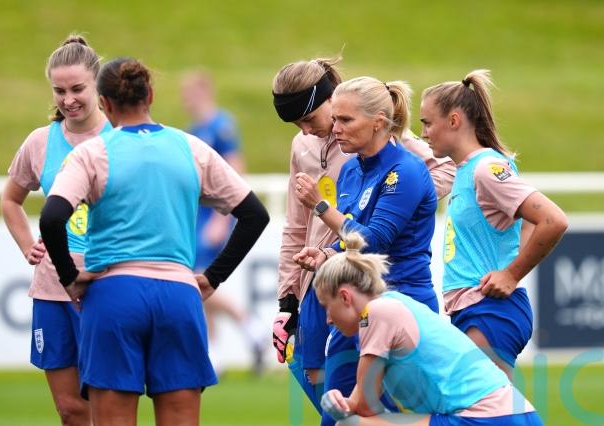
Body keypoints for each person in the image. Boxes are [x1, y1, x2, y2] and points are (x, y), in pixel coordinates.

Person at [38, 57, 269, 425]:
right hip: (178, 295)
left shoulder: (92, 152)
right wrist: (213, 277)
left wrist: (69, 277)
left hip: (113, 296)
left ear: (105, 103)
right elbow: (255, 214)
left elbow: (51, 217)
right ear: (151, 95)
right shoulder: (190, 147)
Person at [285, 73, 452, 424]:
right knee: (338, 416)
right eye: (334, 120)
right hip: (357, 310)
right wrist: (328, 253)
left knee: (393, 417)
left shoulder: (405, 170)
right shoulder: (351, 171)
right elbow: (352, 236)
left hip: (402, 306)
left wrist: (320, 206)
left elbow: (374, 240)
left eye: (345, 120)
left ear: (378, 122)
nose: (336, 129)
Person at [419, 69, 568, 378]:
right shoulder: (465, 169)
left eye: (427, 123)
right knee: (483, 405)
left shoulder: (486, 169)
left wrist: (511, 274)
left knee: (482, 405)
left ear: (454, 120)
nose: (424, 133)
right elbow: (526, 223)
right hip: (473, 309)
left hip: (489, 310)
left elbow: (552, 220)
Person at [315, 231, 544, 426]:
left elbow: (365, 408)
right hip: (512, 415)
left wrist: (345, 411)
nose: (328, 320)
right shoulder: (392, 305)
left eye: (326, 306)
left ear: (345, 297)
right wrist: (342, 404)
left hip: (485, 418)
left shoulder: (376, 313)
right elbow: (359, 404)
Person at [0, 34, 111, 425]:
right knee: (69, 410)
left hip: (105, 285)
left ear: (98, 84)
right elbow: (10, 200)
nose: (68, 99)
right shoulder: (40, 142)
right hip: (52, 286)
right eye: (59, 91)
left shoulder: (120, 137)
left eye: (77, 89)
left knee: (108, 404)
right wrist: (27, 245)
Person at [180, 69, 265, 375]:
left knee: (200, 279)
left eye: (190, 93)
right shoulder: (193, 130)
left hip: (214, 215)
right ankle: (213, 351)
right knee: (196, 283)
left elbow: (235, 169)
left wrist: (221, 217)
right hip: (197, 217)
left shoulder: (221, 125)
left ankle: (250, 324)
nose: (186, 100)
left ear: (204, 92)